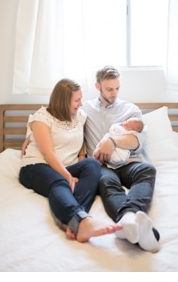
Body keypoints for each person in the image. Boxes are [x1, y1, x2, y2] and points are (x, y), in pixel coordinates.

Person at [18, 78, 122, 242]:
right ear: (63, 101)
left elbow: (79, 142)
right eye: (77, 100)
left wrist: (81, 159)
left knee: (93, 164)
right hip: (37, 166)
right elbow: (48, 154)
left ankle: (73, 222)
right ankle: (83, 221)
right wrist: (67, 177)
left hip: (66, 166)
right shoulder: (41, 118)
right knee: (59, 182)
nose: (81, 103)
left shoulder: (79, 116)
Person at [84, 66, 161, 252]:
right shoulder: (84, 109)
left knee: (147, 170)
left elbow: (138, 141)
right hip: (103, 166)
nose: (114, 93)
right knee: (105, 181)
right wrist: (32, 134)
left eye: (117, 88)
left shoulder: (131, 110)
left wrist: (112, 141)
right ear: (98, 86)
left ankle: (128, 217)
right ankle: (131, 222)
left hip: (129, 162)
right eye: (109, 89)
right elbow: (58, 120)